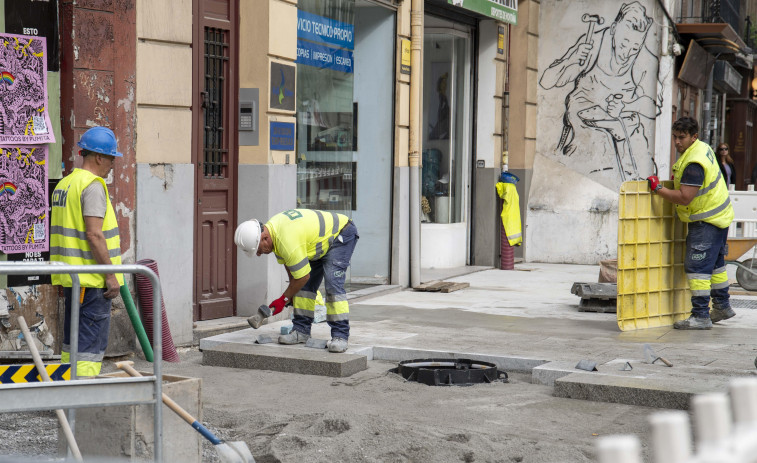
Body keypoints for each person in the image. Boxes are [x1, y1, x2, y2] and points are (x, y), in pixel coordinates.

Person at [539, 2, 661, 185]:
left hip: (623, 124)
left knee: (639, 157)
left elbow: (653, 108)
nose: (626, 53)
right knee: (596, 145)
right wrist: (572, 59)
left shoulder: (645, 60)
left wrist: (627, 106)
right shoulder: (592, 44)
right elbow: (546, 81)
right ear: (613, 29)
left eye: (634, 47)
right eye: (624, 44)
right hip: (586, 120)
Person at [646, 117, 735, 330]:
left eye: (682, 137)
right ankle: (722, 306)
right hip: (720, 217)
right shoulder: (702, 148)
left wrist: (658, 189)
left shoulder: (694, 163)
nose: (677, 142)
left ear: (693, 136)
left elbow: (685, 197)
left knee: (698, 268)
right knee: (716, 266)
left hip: (705, 221)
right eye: (675, 137)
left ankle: (700, 316)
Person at [50, 126, 124, 375]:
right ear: (99, 157)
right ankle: (84, 399)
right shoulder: (92, 185)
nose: (112, 165)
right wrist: (110, 275)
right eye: (111, 158)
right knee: (90, 345)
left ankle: (67, 391)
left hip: (73, 278)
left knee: (72, 342)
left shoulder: (65, 183)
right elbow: (94, 234)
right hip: (92, 280)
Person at [234, 209, 359, 353]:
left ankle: (340, 336)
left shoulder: (286, 240)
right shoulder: (274, 234)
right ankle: (301, 331)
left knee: (332, 285)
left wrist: (283, 299)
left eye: (258, 249)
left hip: (340, 235)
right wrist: (291, 293)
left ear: (265, 238)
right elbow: (292, 269)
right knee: (302, 287)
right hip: (318, 244)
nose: (258, 254)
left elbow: (302, 277)